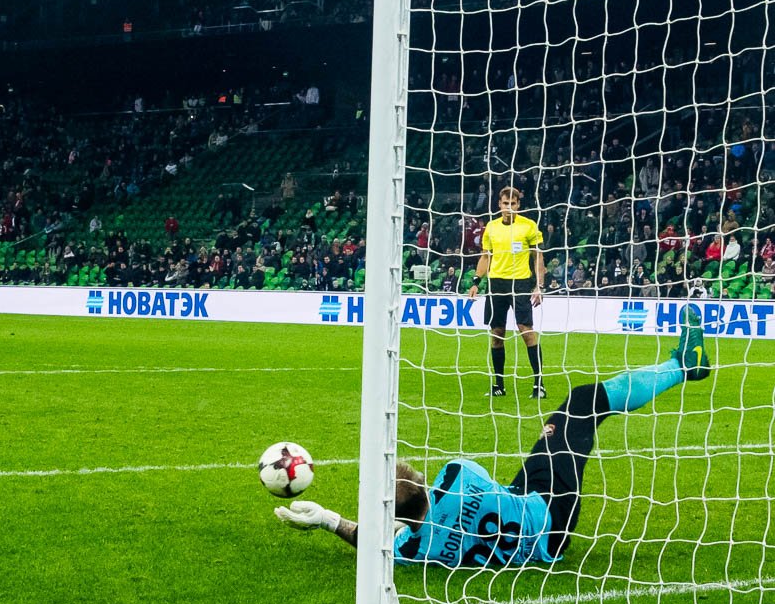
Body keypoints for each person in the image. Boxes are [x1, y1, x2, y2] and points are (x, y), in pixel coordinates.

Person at [276, 309, 711, 566]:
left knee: (555, 435)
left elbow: (375, 541)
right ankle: (684, 365)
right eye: (400, 475)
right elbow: (404, 522)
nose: (401, 468)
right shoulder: (454, 475)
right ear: (411, 489)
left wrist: (329, 520)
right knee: (582, 402)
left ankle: (680, 365)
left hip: (531, 526)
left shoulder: (414, 548)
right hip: (548, 509)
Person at [467, 186, 547, 399]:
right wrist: (476, 281)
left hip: (520, 283)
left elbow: (538, 257)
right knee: (496, 334)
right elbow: (485, 256)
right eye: (505, 204)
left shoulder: (528, 226)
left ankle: (539, 385)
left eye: (512, 204)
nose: (509, 207)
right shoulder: (491, 228)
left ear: (518, 205)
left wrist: (539, 286)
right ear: (499, 205)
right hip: (496, 284)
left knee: (526, 331)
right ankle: (499, 385)